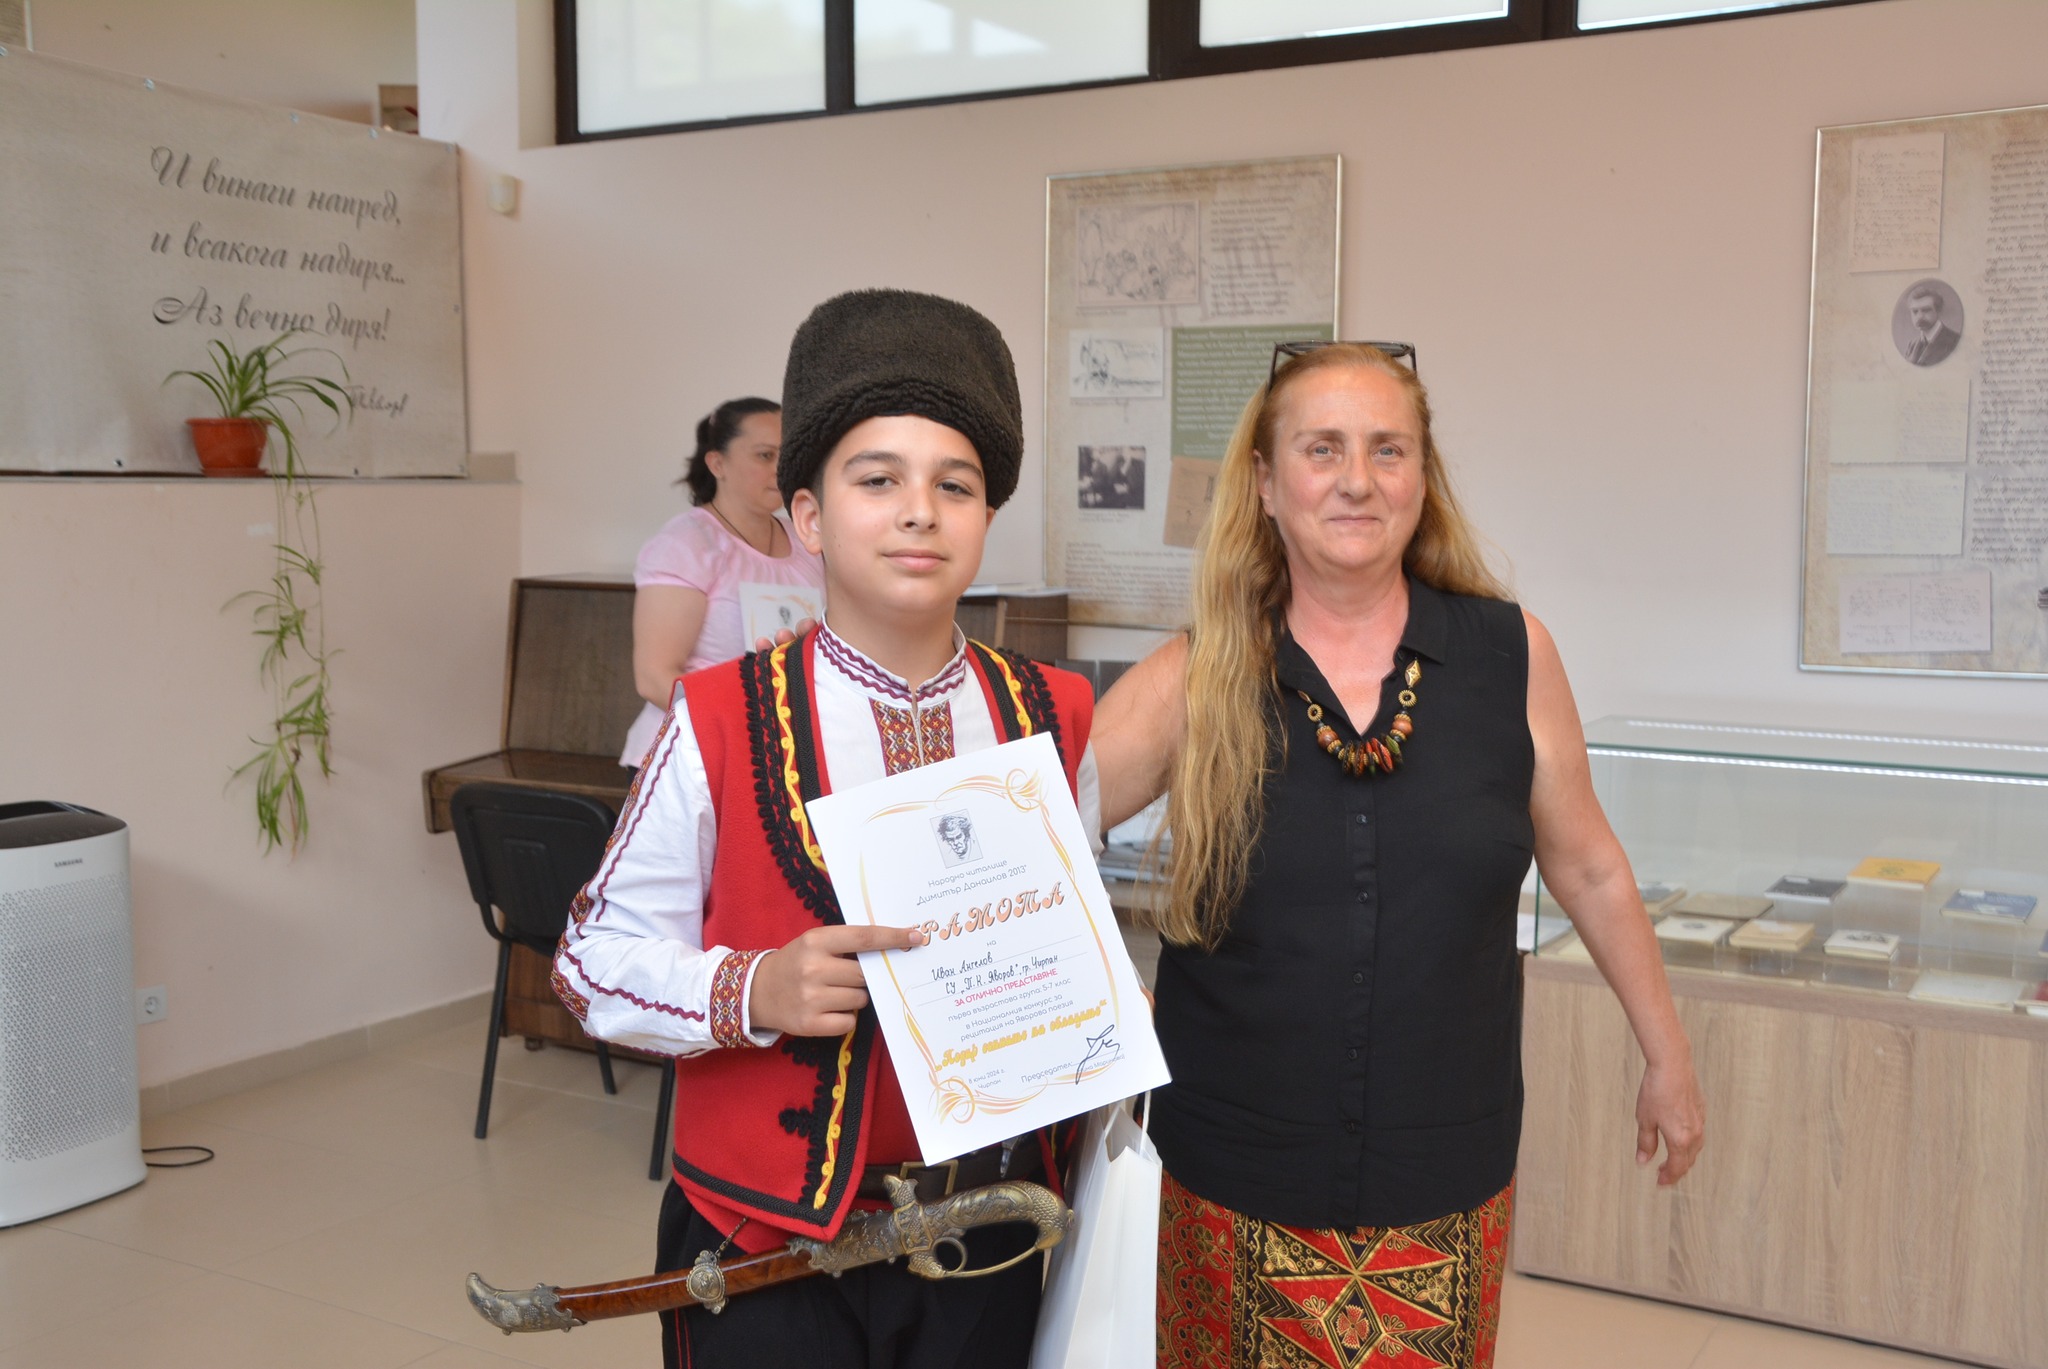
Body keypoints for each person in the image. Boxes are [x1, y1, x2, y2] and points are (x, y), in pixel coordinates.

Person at [1093, 342, 1705, 1369]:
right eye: (1321, 448)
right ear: (1265, 483)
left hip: (1442, 1179)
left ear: (1422, 477)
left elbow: (1590, 866)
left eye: (1387, 449)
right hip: (1229, 1178)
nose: (1356, 479)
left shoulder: (1512, 655)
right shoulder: (1198, 672)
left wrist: (1667, 1054)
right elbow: (1030, 846)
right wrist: (1104, 1006)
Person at [553, 289, 1102, 1369]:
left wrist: (1098, 1005)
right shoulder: (717, 717)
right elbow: (588, 961)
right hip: (764, 1243)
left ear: (986, 519)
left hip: (986, 1231)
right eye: (877, 479)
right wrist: (750, 989)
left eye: (956, 485)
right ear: (806, 517)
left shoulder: (1053, 712)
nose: (919, 512)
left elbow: (1063, 946)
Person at [619, 396, 826, 768]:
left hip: (781, 753)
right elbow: (654, 677)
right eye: (765, 455)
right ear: (717, 463)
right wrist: (746, 731)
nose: (780, 468)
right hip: (693, 757)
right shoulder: (687, 543)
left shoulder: (807, 540)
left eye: (787, 455)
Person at [1902, 285, 1960, 366]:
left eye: (1926, 310)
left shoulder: (1955, 341)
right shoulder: (1912, 345)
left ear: (1938, 311)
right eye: (1915, 311)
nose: (1919, 316)